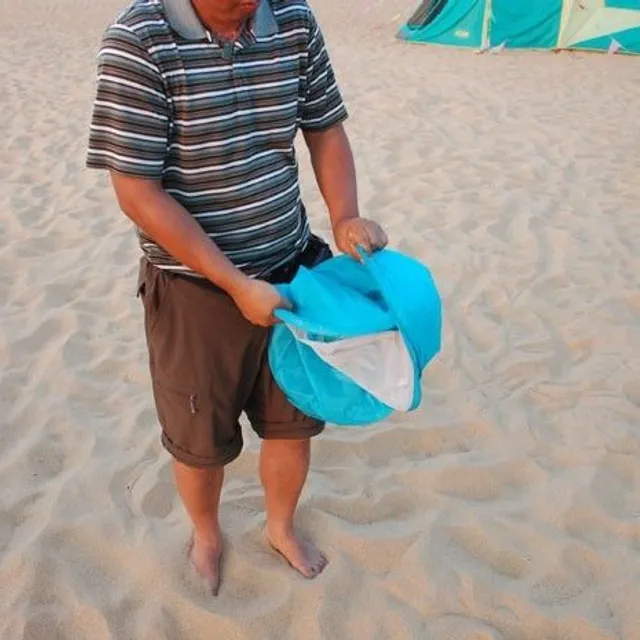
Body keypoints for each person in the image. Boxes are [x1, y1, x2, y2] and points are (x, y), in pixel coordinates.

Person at [86, 0, 387, 595]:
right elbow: (137, 190)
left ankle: (279, 526)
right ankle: (206, 533)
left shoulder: (293, 19)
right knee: (200, 442)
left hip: (294, 268)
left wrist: (345, 215)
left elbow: (324, 125)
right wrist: (233, 282)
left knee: (293, 422)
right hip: (196, 290)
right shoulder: (139, 39)